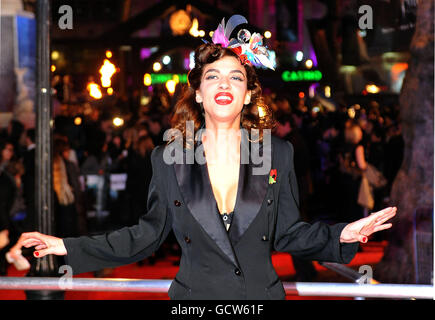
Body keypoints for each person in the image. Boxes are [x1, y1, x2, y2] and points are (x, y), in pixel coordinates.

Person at [10, 16, 396, 300]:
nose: (224, 83)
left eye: (236, 77)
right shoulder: (169, 158)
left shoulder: (276, 152)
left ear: (247, 95)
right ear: (198, 93)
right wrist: (66, 246)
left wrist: (342, 234)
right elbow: (145, 237)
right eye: (213, 76)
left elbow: (288, 233)